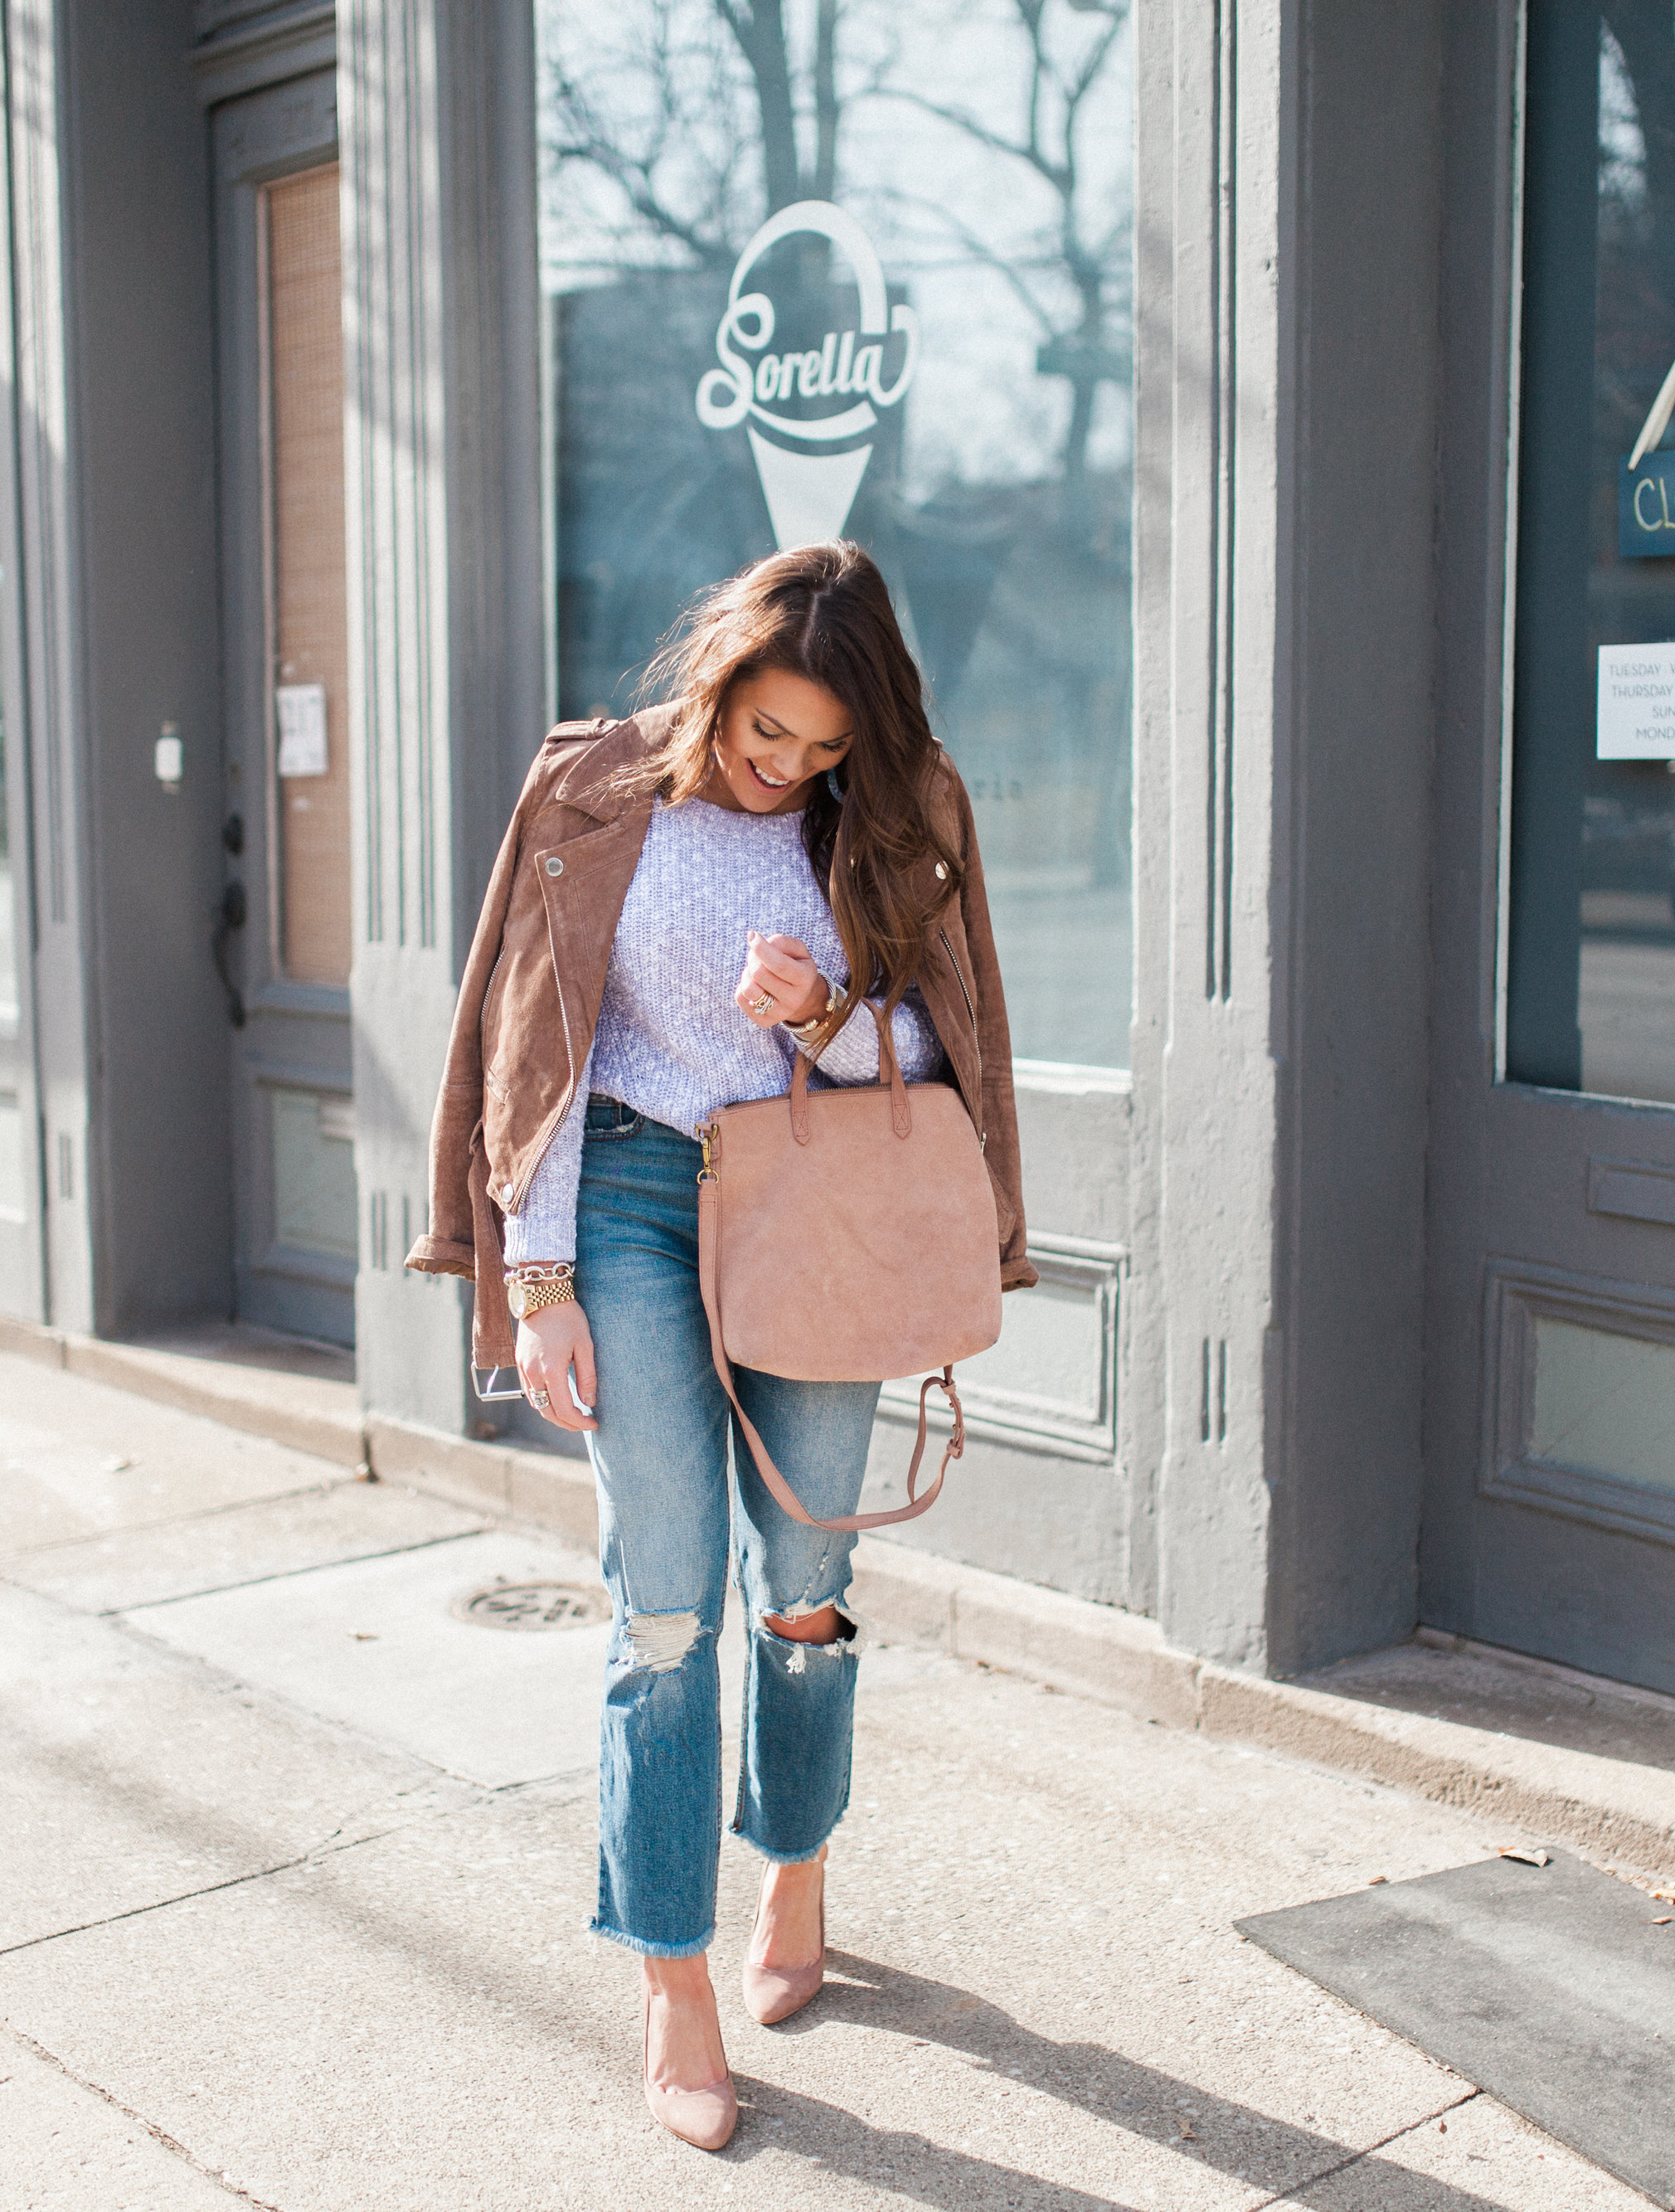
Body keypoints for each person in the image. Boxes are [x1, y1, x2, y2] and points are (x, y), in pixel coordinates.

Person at [409, 542, 1033, 2150]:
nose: (786, 771)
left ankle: (796, 1860)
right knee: (665, 1602)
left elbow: (936, 1051)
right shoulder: (592, 791)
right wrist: (534, 1278)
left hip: (809, 1191)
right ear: (717, 681)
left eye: (821, 750)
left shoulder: (893, 817)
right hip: (619, 1191)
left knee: (805, 1584)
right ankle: (669, 1975)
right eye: (768, 734)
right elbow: (531, 1040)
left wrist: (825, 1009)